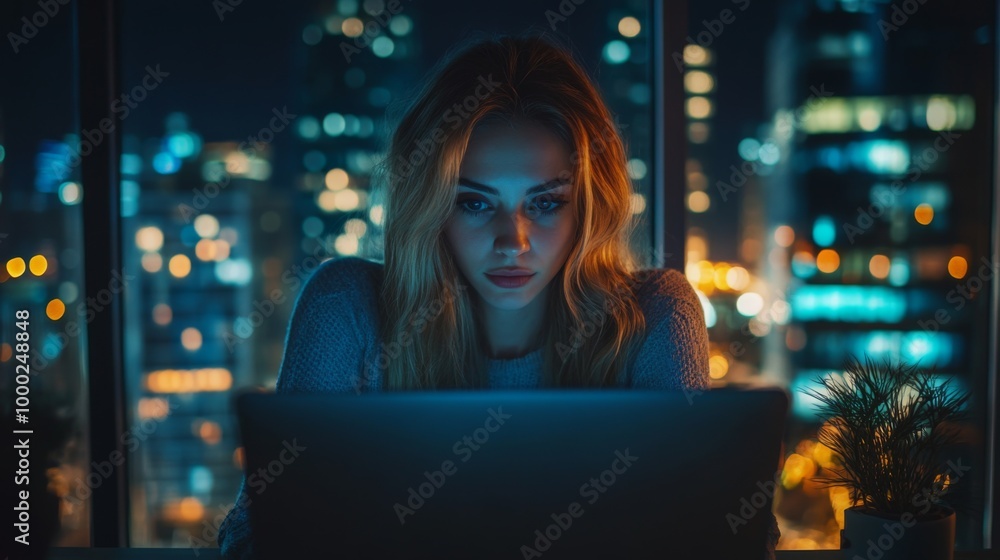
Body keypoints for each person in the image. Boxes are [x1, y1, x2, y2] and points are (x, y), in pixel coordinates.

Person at [218, 31, 779, 559]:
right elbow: (253, 537)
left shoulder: (655, 314)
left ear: (587, 204)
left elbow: (719, 535)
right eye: (475, 202)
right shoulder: (348, 307)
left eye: (545, 202)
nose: (513, 242)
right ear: (431, 206)